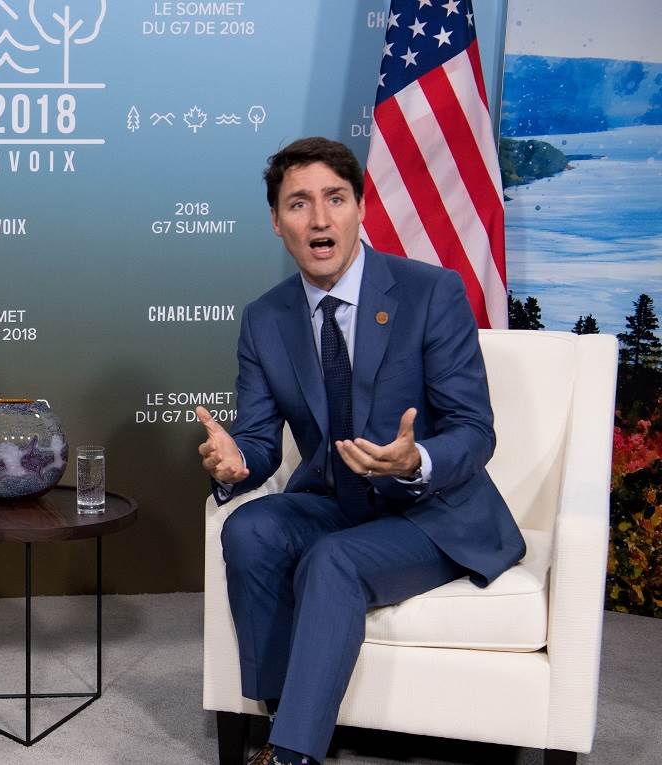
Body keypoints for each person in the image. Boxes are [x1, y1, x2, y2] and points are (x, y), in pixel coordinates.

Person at [196, 137, 524, 765]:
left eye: (334, 199)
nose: (319, 219)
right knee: (250, 527)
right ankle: (278, 715)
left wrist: (415, 460)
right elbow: (262, 442)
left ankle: (292, 755)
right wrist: (238, 462)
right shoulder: (265, 319)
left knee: (332, 561)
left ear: (360, 207)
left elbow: (474, 429)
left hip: (432, 514)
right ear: (276, 221)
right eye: (299, 204)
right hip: (336, 501)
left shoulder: (430, 293)